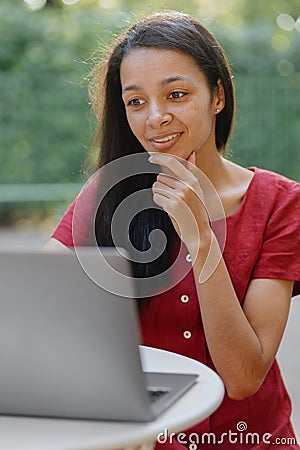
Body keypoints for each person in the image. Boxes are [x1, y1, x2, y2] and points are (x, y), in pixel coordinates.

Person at [45, 10, 300, 449]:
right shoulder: (107, 195)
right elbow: (32, 300)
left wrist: (200, 235)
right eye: (136, 102)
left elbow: (243, 376)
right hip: (140, 439)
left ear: (217, 96)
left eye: (176, 94)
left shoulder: (280, 203)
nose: (155, 118)